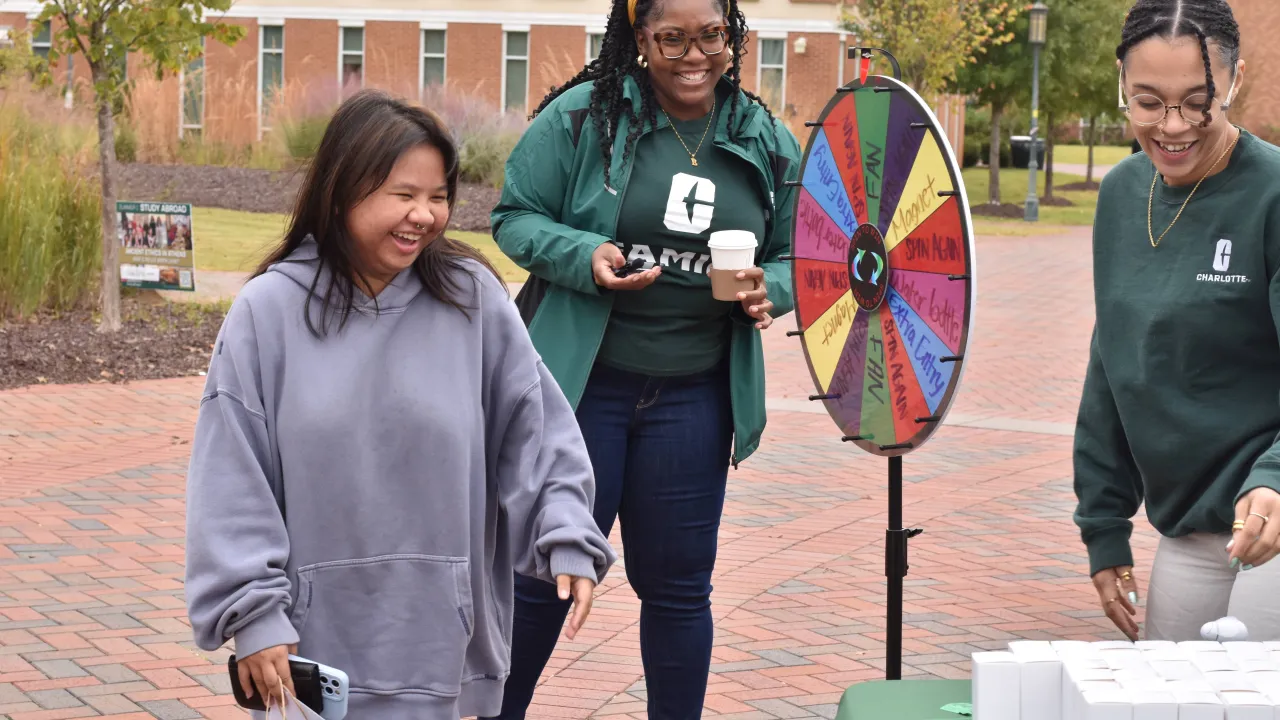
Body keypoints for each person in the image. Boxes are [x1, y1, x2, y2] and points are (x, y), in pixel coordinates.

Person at [182, 89, 617, 719]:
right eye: (403, 194)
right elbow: (231, 479)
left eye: (438, 197)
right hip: (310, 655)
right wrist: (252, 613)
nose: (424, 215)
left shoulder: (471, 300)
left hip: (442, 645)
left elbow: (535, 428)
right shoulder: (268, 312)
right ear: (342, 190)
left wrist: (568, 531)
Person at [485, 0, 800, 717]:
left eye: (712, 36)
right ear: (639, 38)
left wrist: (768, 290)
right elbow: (514, 213)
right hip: (584, 388)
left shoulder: (764, 137)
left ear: (734, 35)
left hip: (693, 396)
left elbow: (799, 252)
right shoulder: (582, 117)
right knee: (541, 574)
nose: (695, 56)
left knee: (680, 587)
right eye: (672, 38)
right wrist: (582, 253)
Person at [1074, 0, 1280, 642]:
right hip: (1190, 527)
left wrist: (1277, 478)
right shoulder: (1120, 193)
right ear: (1121, 87)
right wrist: (1104, 528)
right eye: (1148, 101)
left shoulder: (1273, 195)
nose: (1173, 126)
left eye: (1198, 101)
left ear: (1235, 81)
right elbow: (1111, 363)